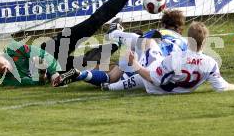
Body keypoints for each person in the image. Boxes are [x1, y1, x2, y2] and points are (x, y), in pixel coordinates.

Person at [0, 0, 160, 86]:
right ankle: (119, 37)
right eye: (2, 70)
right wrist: (44, 74)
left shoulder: (13, 49)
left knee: (92, 24)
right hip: (59, 68)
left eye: (2, 64)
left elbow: (40, 54)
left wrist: (47, 68)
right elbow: (33, 82)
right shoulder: (8, 80)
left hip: (51, 49)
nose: (5, 68)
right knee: (89, 61)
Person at [55, 9, 187, 89]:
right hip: (158, 67)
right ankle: (82, 73)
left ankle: (80, 73)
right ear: (180, 29)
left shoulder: (158, 32)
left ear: (163, 24)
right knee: (114, 77)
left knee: (112, 75)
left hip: (144, 55)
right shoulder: (185, 42)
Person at [128, 21, 234, 94]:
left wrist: (135, 65)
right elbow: (222, 87)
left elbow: (153, 79)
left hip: (153, 86)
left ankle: (115, 34)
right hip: (170, 84)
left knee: (147, 41)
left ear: (187, 40)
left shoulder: (174, 58)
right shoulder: (211, 63)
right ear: (205, 42)